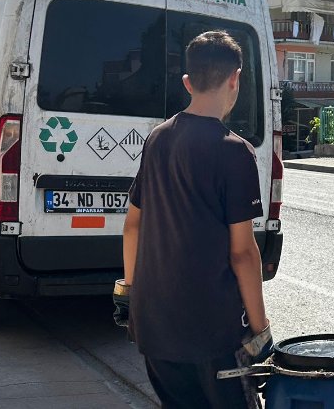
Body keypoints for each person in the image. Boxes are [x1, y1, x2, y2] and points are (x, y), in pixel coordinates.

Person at [113, 31, 271, 409]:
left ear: (187, 82)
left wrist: (129, 293)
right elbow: (242, 253)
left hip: (154, 325)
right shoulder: (235, 152)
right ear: (235, 79)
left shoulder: (157, 139)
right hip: (212, 330)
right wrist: (261, 330)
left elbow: (133, 225)